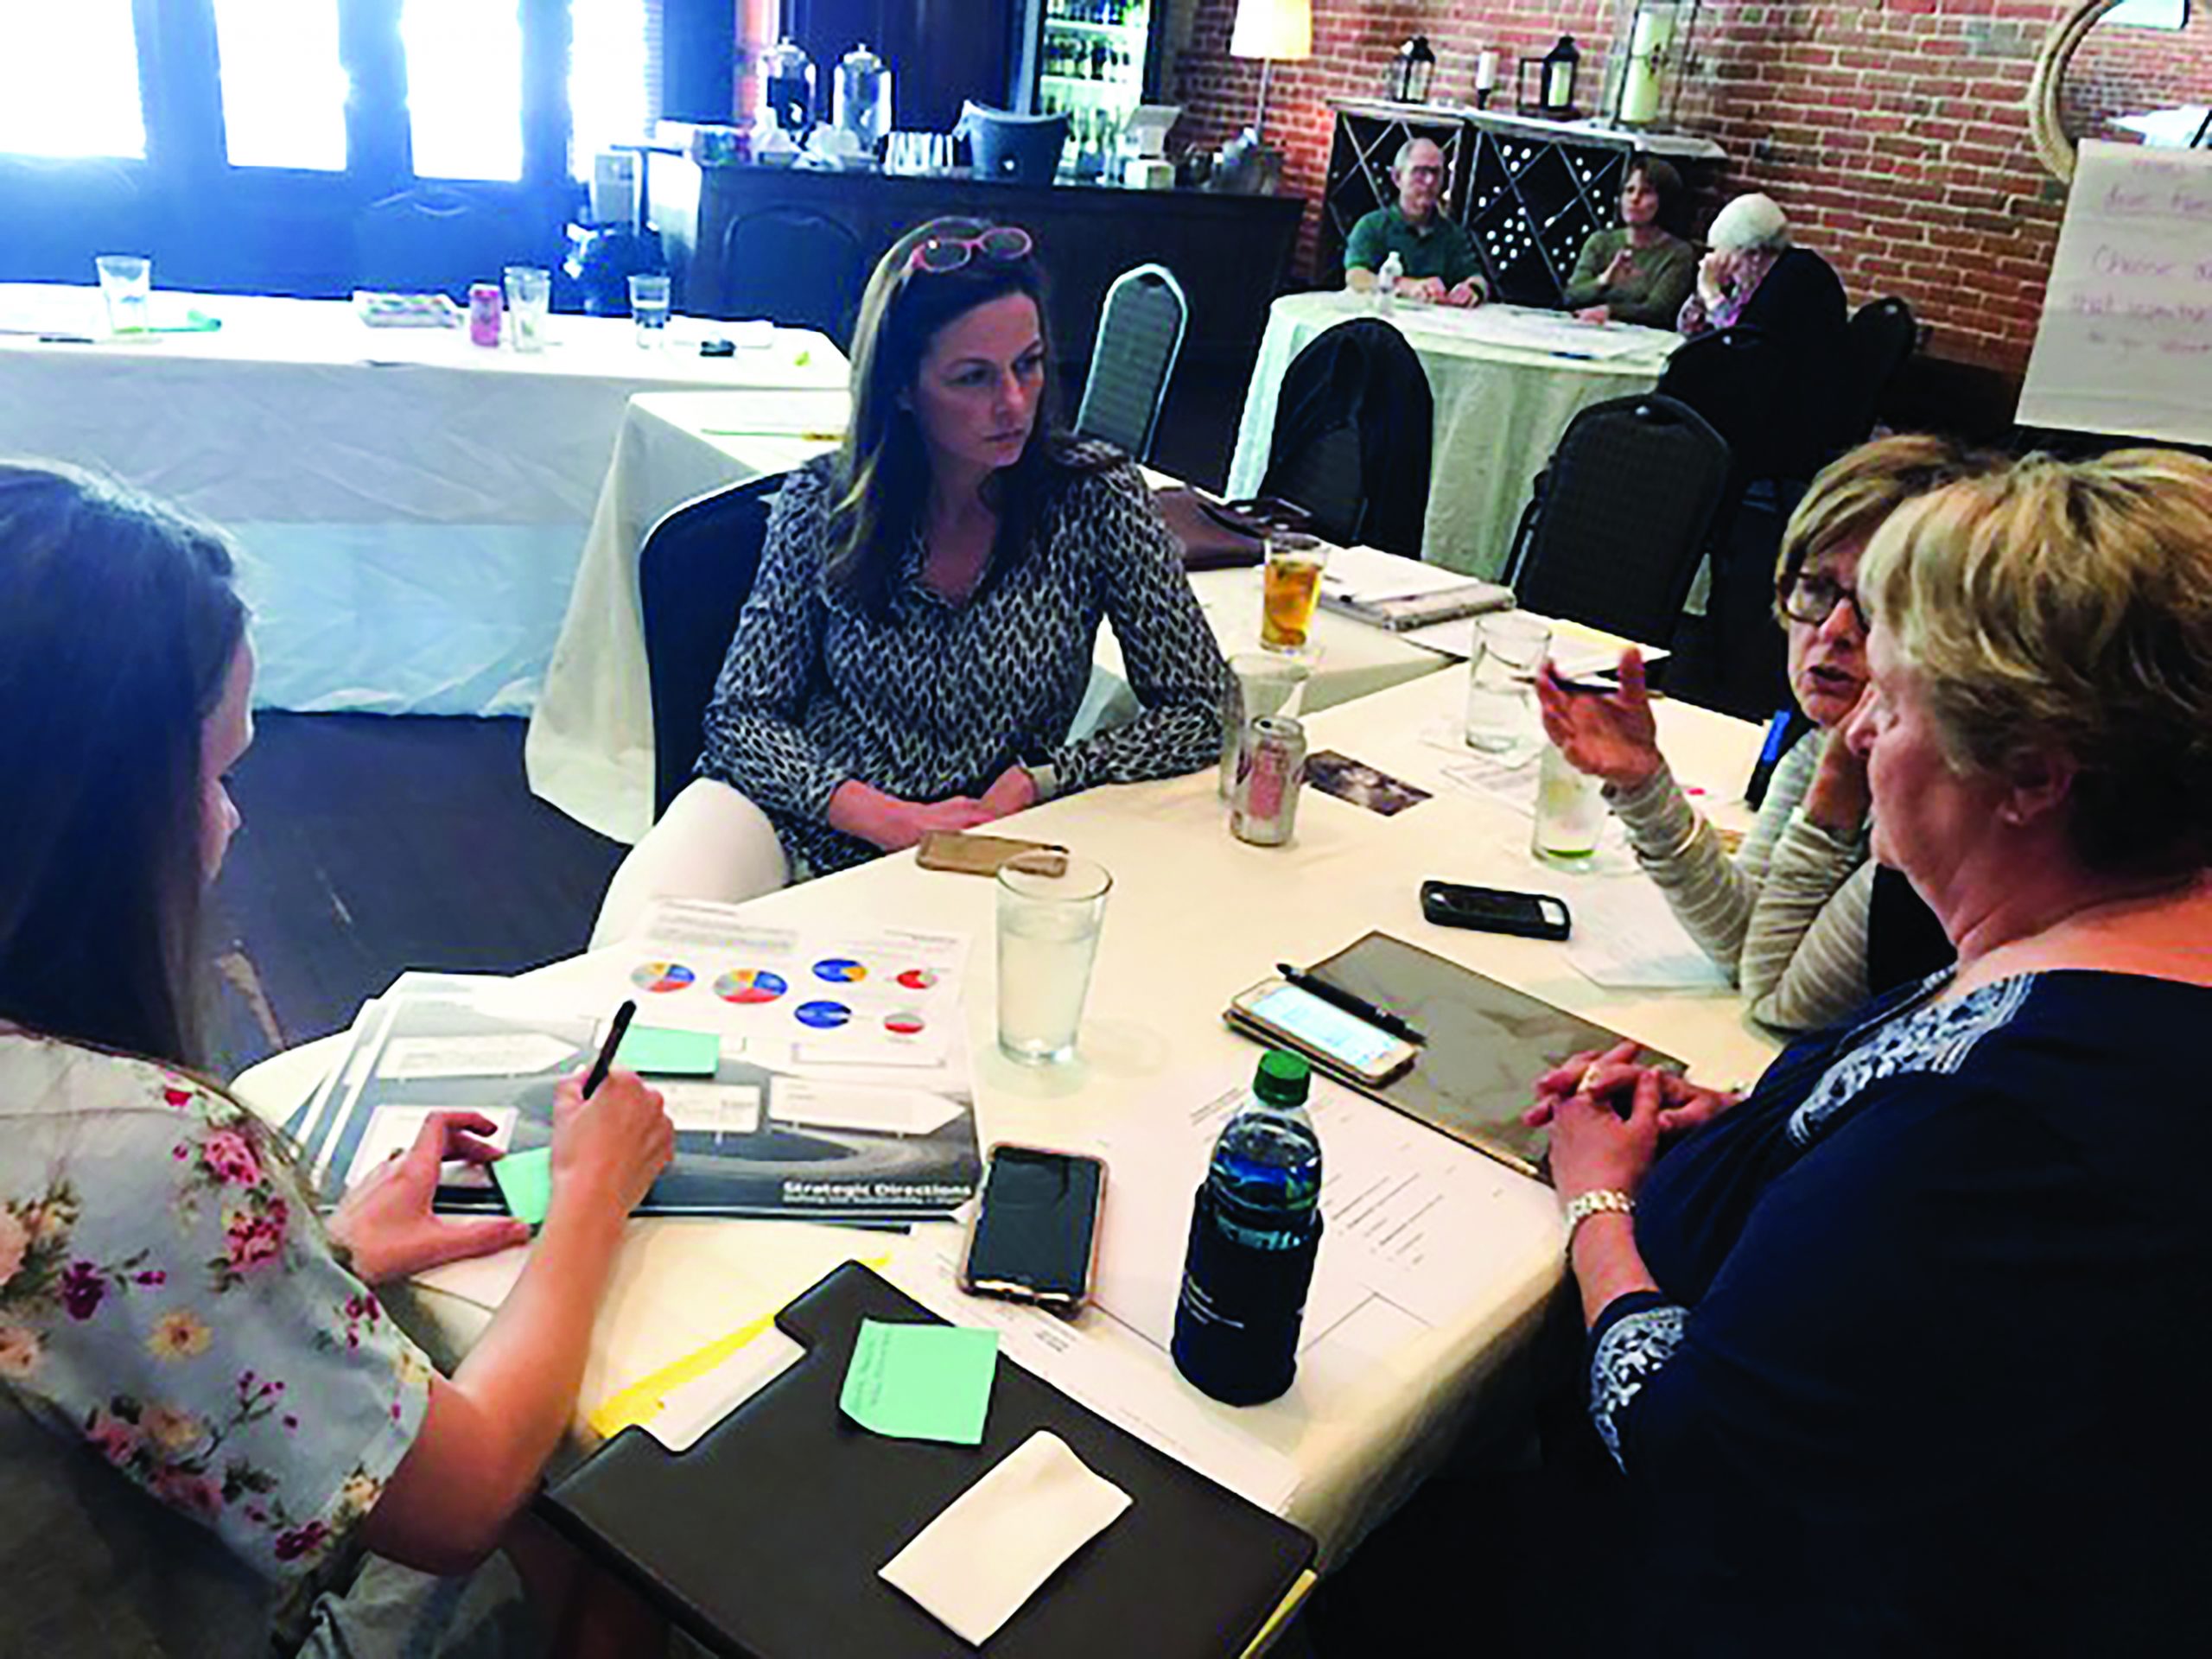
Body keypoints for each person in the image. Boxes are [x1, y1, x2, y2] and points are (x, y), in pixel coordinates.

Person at [1531, 448, 2212, 1652]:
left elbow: (1689, 1444)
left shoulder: (2009, 1131)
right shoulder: (2116, 941)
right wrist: (1767, 1127)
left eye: (1895, 706)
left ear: (2033, 776)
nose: (1863, 737)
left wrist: (1599, 1202)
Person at [0, 462, 675, 1656]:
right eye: (213, 774)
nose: (231, 819)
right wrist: (589, 1196)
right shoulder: (139, 1154)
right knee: (611, 1531)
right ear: (91, 808)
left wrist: (326, 1257)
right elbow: (464, 1499)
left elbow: (83, 1328)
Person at [591, 218, 1225, 943]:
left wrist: (1043, 777)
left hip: (978, 844)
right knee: (628, 963)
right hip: (803, 812)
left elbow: (1203, 711)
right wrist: (882, 815)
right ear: (899, 389)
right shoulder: (824, 501)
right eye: (973, 377)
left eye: (1030, 364)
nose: (1015, 403)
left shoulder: (1095, 496)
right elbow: (741, 720)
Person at [1535, 435, 1990, 1033]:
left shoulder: (1938, 795)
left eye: (1883, 603)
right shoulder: (1818, 741)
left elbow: (1782, 1001)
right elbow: (1750, 943)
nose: (1833, 630)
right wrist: (1646, 786)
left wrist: (1834, 796)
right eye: (1819, 587)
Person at [1343, 138, 1487, 308]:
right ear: (1397, 177)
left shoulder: (1451, 234)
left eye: (1436, 173)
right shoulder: (1372, 226)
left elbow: (1477, 278)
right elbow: (1356, 276)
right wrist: (1407, 286)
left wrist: (1471, 290)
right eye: (1420, 172)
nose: (1429, 181)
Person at [1561, 157, 1694, 327]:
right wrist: (1605, 280)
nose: (1635, 199)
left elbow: (1658, 310)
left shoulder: (1677, 253)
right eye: (1629, 190)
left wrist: (1610, 312)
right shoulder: (1601, 241)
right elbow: (1571, 296)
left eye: (1646, 192)